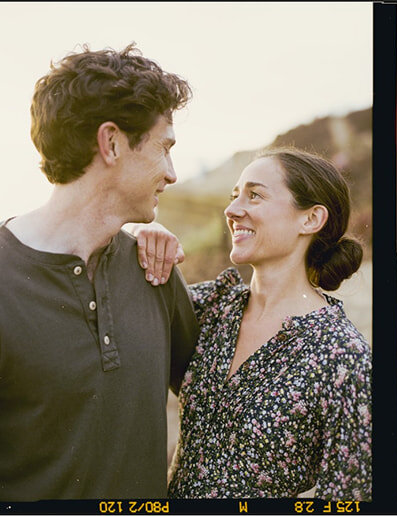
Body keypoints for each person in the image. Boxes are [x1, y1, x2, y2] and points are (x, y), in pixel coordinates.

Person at [0, 44, 198, 500]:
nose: (171, 173)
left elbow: (212, 393)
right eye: (164, 147)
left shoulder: (156, 269)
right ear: (111, 143)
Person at [133, 149, 372, 499]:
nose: (232, 210)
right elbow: (126, 306)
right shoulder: (212, 307)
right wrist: (139, 232)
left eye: (255, 195)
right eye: (234, 196)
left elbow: (352, 495)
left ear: (311, 219)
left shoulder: (342, 356)